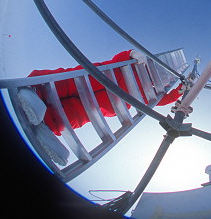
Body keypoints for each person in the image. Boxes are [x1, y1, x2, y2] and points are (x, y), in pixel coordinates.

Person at [17, 49, 183, 165]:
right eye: (159, 72)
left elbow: (160, 100)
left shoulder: (149, 90)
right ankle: (34, 91)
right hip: (105, 77)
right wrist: (132, 53)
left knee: (79, 113)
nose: (158, 76)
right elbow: (121, 57)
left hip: (112, 101)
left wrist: (180, 91)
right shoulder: (139, 65)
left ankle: (47, 126)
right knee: (69, 83)